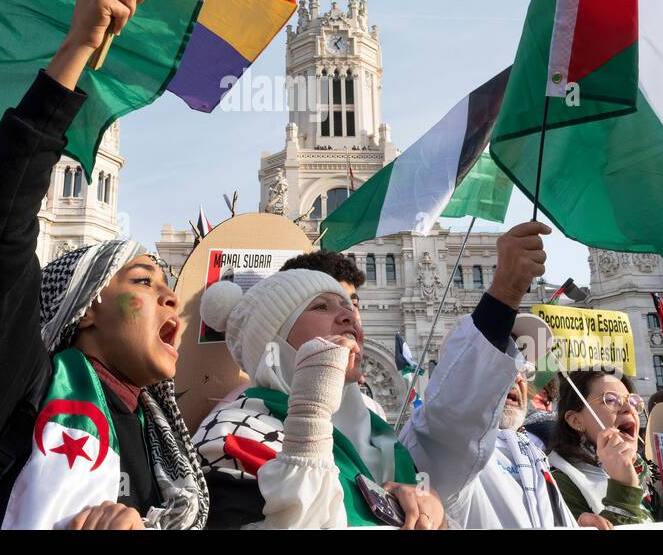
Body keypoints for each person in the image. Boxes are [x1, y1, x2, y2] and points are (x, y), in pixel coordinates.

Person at [0, 0, 208, 531]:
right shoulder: (18, 386)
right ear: (88, 305)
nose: (172, 299)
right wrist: (77, 47)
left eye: (168, 287)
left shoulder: (172, 460)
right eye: (146, 282)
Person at [194, 269, 445, 529]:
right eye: (321, 306)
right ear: (275, 340)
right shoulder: (232, 433)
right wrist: (310, 414)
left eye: (349, 307)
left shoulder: (384, 442)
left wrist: (436, 513)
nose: (351, 317)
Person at [401, 222, 595, 529]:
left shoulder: (536, 457)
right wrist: (506, 290)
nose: (514, 376)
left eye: (523, 368)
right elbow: (459, 407)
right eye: (503, 360)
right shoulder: (444, 450)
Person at [549, 370, 663, 529]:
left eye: (632, 401)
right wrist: (623, 487)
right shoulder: (557, 484)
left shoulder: (641, 470)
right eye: (610, 399)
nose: (628, 408)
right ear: (576, 420)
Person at [278, 251, 387, 417]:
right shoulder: (239, 427)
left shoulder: (374, 416)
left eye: (354, 304)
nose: (352, 316)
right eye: (321, 306)